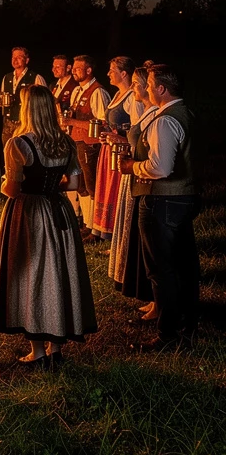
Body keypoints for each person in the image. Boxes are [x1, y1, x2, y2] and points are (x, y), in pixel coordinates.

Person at [0, 85, 97, 368]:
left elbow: (12, 189)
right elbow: (73, 183)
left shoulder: (19, 143)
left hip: (30, 212)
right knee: (59, 271)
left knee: (31, 274)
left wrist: (2, 183)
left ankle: (37, 352)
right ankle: (56, 348)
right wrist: (53, 184)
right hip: (58, 210)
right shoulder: (65, 142)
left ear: (28, 109)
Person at [118, 65, 202, 350]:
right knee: (183, 265)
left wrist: (132, 166)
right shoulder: (186, 112)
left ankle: (168, 335)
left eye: (151, 85)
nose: (148, 89)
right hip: (184, 197)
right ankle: (188, 323)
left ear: (162, 89)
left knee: (162, 269)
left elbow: (161, 167)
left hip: (163, 200)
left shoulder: (166, 120)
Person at [109, 66, 157, 315]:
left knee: (154, 247)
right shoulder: (148, 113)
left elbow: (157, 159)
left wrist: (132, 161)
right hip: (138, 176)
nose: (139, 89)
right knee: (145, 243)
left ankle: (160, 301)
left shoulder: (156, 116)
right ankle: (153, 297)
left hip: (147, 181)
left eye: (141, 85)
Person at [92, 57, 145, 240]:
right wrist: (106, 133)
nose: (108, 74)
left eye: (112, 70)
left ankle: (122, 235)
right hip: (110, 149)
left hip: (123, 151)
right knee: (109, 190)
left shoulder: (133, 97)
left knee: (120, 193)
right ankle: (112, 234)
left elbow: (138, 131)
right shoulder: (117, 95)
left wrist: (119, 137)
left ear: (123, 73)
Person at [66, 54, 111, 241]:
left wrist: (73, 121)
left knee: (92, 185)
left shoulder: (98, 92)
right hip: (78, 142)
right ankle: (87, 224)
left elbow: (102, 123)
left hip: (91, 145)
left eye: (78, 68)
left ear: (89, 70)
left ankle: (96, 229)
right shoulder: (78, 90)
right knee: (81, 186)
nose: (73, 71)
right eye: (73, 68)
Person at [0, 47, 46, 142]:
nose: (15, 60)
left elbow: (44, 102)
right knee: (8, 150)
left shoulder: (35, 78)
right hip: (8, 123)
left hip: (26, 122)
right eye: (13, 57)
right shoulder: (6, 77)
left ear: (27, 60)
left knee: (24, 150)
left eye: (19, 57)